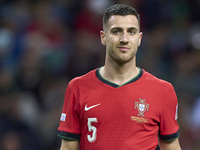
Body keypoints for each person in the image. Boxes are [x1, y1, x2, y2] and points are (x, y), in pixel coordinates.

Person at [57, 4, 181, 150]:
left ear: (139, 38)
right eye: (116, 31)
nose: (124, 39)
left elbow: (171, 145)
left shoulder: (163, 90)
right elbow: (68, 147)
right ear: (103, 37)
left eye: (131, 32)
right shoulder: (77, 87)